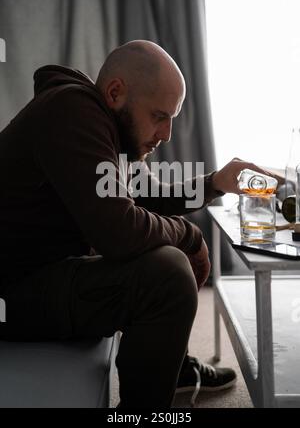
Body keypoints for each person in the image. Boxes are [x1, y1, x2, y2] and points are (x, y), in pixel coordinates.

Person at [0, 40, 272, 408]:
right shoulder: (73, 112)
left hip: (36, 276)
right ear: (116, 92)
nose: (167, 134)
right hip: (13, 293)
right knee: (167, 272)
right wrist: (189, 237)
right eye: (160, 116)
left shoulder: (102, 122)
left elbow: (146, 194)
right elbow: (120, 232)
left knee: (159, 246)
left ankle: (171, 367)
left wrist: (214, 183)